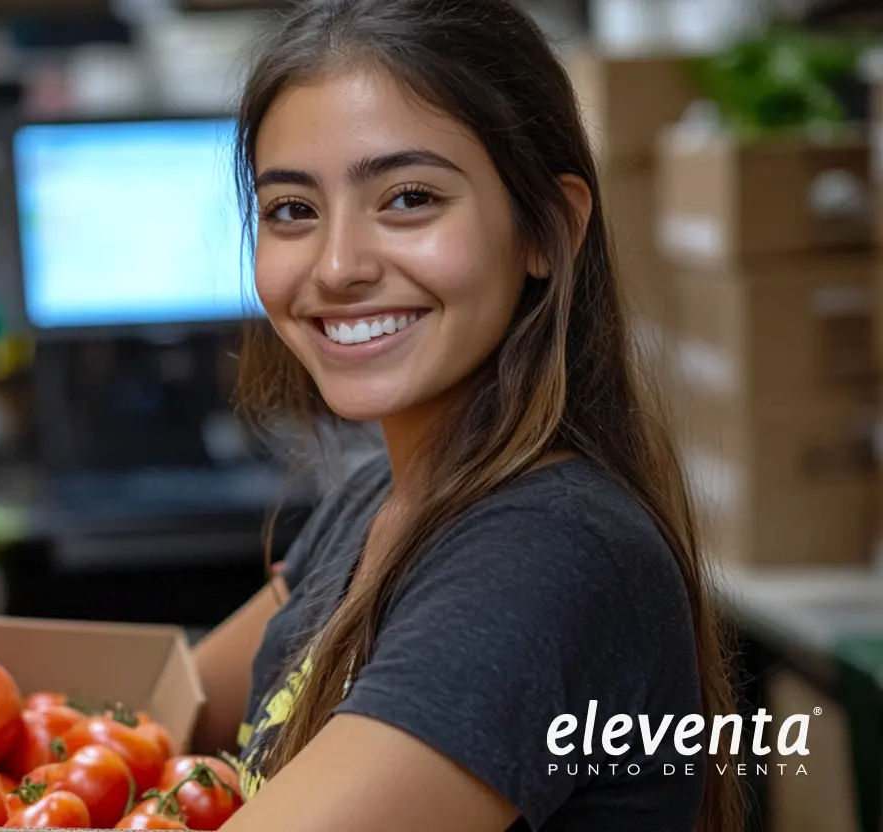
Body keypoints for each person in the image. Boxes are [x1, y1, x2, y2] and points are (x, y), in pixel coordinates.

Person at [190, 1, 742, 830]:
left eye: (408, 198)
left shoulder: (549, 554)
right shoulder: (379, 501)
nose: (337, 267)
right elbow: (165, 706)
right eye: (293, 211)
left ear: (547, 229)